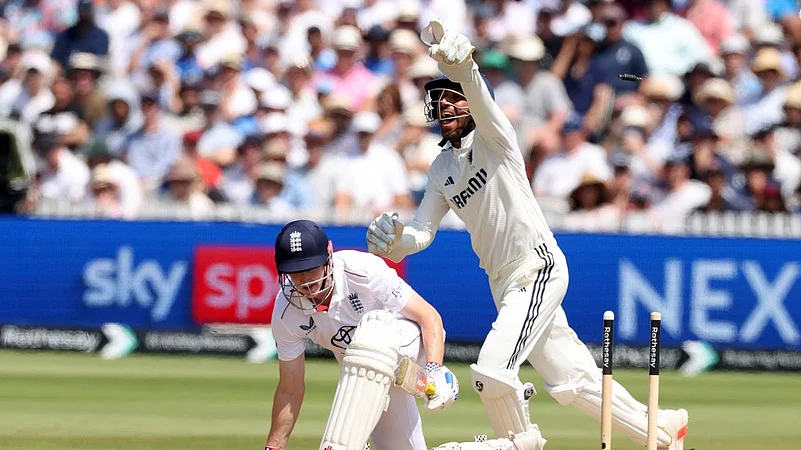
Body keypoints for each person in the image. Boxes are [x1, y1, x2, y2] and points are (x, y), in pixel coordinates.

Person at [366, 20, 689, 450]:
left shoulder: (496, 138)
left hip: (538, 267)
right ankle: (664, 429)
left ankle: (521, 445)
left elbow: (480, 97)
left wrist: (467, 70)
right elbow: (422, 233)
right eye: (439, 101)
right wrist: (394, 241)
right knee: (572, 383)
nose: (445, 108)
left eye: (453, 99)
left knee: (492, 373)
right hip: (504, 283)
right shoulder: (442, 169)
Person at [264, 220, 459, 450]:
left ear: (329, 254)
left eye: (311, 268)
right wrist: (273, 447)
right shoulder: (286, 311)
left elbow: (429, 317)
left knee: (371, 338)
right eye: (296, 273)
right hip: (363, 376)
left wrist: (434, 368)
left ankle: (432, 383)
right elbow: (290, 388)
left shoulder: (363, 271)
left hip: (407, 340)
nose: (305, 280)